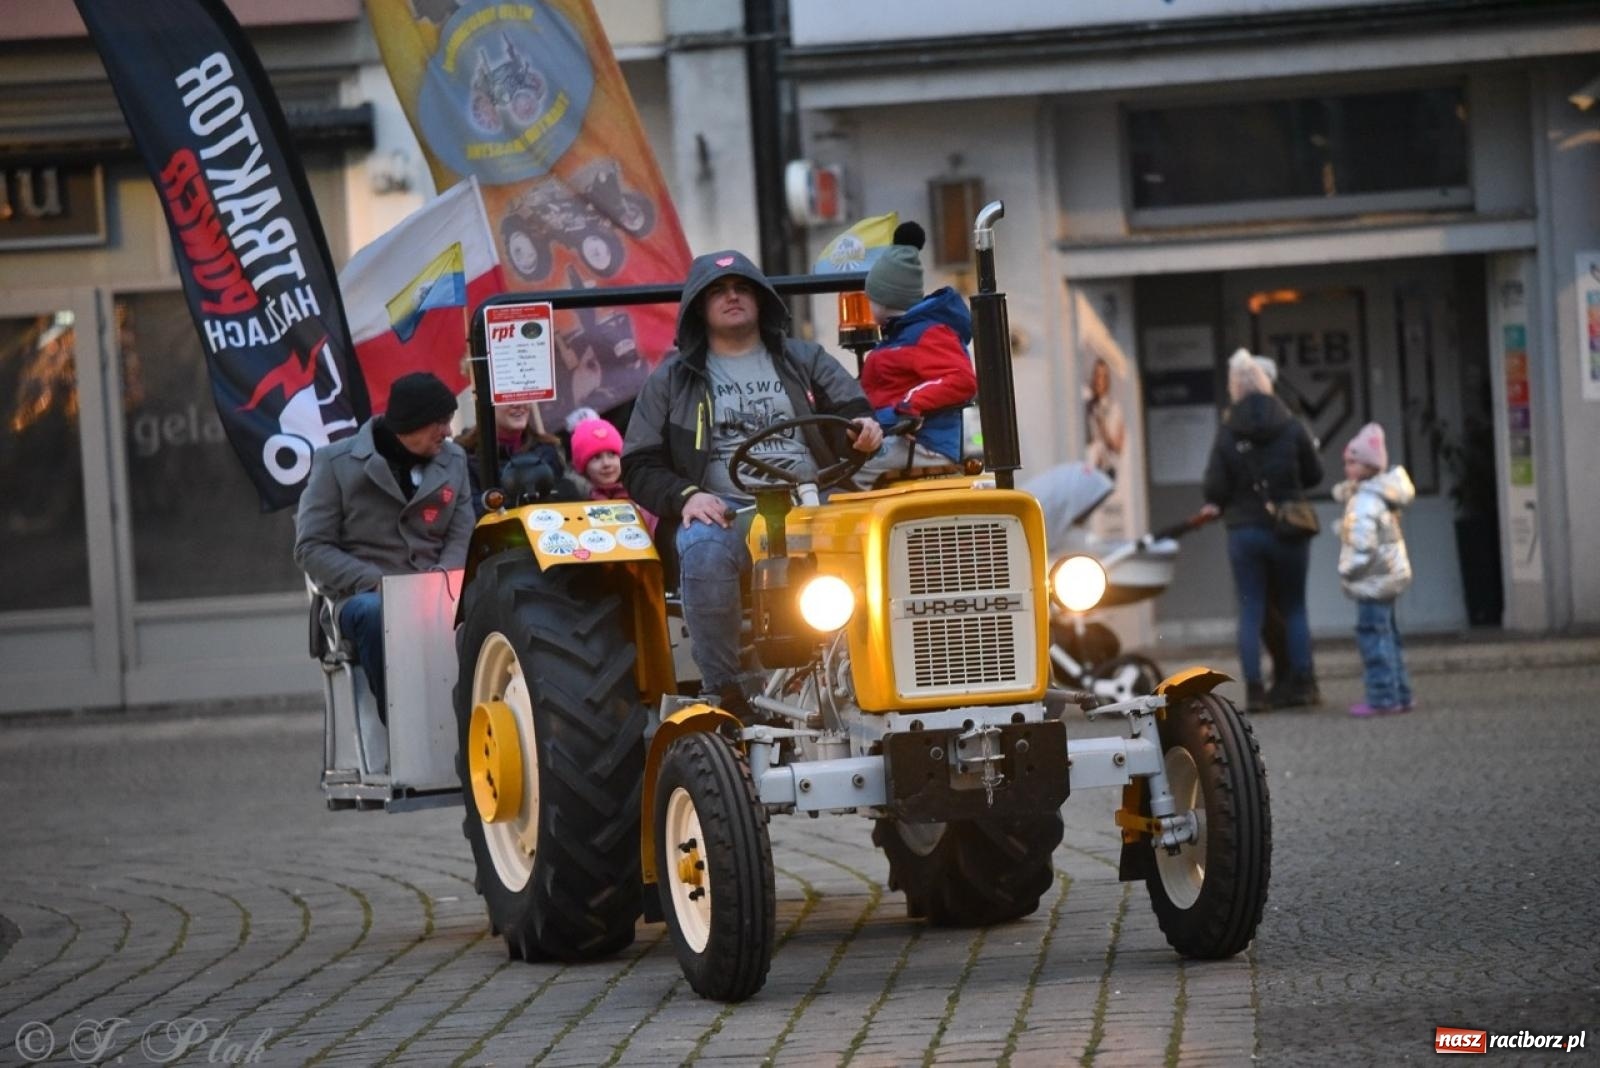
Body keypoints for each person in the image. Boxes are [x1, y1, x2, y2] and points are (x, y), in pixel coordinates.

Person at [622, 249, 883, 719]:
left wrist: (863, 433)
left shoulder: (805, 359)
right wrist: (688, 496)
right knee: (701, 547)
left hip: (811, 503)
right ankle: (728, 694)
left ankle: (871, 679)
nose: (732, 297)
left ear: (762, 299)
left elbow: (851, 414)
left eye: (742, 287)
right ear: (698, 308)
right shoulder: (671, 379)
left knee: (879, 540)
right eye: (718, 291)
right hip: (728, 512)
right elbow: (638, 464)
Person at [294, 371, 474, 717]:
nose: (449, 432)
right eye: (441, 422)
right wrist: (375, 583)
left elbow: (462, 534)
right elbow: (311, 547)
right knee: (378, 616)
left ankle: (467, 726)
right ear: (412, 423)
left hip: (440, 593)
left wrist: (440, 582)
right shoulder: (334, 463)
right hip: (363, 597)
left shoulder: (455, 460)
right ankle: (400, 725)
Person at [1200, 350, 1323, 713]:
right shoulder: (1290, 424)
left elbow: (1214, 489)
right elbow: (1314, 474)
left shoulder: (1227, 431)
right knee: (1295, 607)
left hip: (1244, 531)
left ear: (1234, 388)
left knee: (1251, 609)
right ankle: (1302, 684)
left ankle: (1255, 689)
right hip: (1288, 528)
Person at [854, 221, 977, 487]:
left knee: (846, 472)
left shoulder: (928, 334)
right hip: (896, 435)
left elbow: (961, 379)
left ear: (885, 299)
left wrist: (911, 406)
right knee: (831, 459)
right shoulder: (896, 339)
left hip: (924, 443)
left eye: (870, 297)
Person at [1334, 422, 1416, 717]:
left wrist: (1346, 569)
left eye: (1351, 462)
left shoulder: (1364, 501)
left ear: (1367, 465)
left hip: (1372, 580)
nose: (1346, 468)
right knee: (1389, 635)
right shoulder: (1384, 495)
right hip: (1389, 576)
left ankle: (1382, 696)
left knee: (1373, 636)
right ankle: (1401, 692)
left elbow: (1361, 545)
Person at [455, 399, 573, 514]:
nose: (518, 404)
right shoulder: (463, 454)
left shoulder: (548, 450)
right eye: (506, 398)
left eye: (523, 395)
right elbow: (468, 511)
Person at [571, 415, 657, 535]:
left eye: (612, 454)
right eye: (596, 457)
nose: (606, 464)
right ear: (583, 467)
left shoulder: (645, 497)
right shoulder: (577, 505)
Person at [1084, 356, 1126, 480]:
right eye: (1096, 375)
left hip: (1108, 469)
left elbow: (1117, 446)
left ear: (1107, 381)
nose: (1098, 381)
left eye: (1102, 377)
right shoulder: (1087, 406)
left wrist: (1101, 423)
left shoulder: (1115, 408)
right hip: (1089, 467)